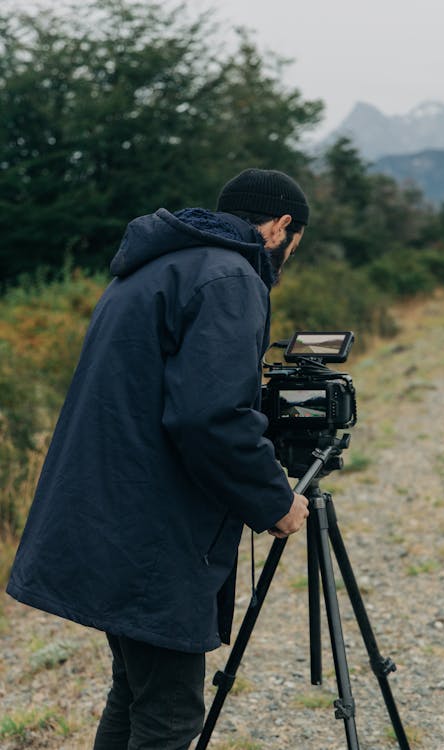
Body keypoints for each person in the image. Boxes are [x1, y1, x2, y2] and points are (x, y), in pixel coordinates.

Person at [7, 168, 310, 750]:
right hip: (150, 534)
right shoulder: (231, 279)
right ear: (281, 227)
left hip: (109, 515)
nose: (289, 255)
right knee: (169, 714)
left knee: (135, 693)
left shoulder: (158, 264)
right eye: (295, 244)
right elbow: (211, 418)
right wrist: (275, 500)